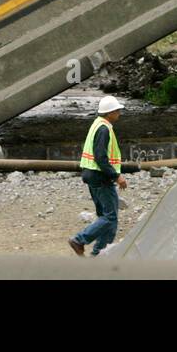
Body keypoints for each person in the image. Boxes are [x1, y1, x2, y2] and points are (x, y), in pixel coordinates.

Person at [68, 96, 128, 256]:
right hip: (100, 177)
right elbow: (100, 156)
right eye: (117, 110)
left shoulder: (97, 124)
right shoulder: (104, 129)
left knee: (105, 217)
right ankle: (80, 240)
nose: (119, 113)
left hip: (91, 174)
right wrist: (116, 176)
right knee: (110, 217)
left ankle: (99, 254)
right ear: (110, 113)